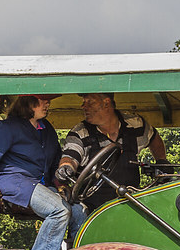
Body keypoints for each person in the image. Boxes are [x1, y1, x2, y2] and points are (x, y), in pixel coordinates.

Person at [0, 95, 71, 250]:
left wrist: (60, 183)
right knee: (59, 210)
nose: (48, 103)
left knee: (79, 211)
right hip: (14, 184)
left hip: (39, 185)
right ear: (28, 103)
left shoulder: (47, 129)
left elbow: (55, 161)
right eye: (43, 100)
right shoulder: (8, 128)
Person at [56, 93, 169, 227]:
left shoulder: (135, 124)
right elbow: (70, 156)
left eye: (89, 102)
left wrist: (162, 162)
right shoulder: (80, 132)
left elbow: (154, 138)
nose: (83, 106)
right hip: (94, 212)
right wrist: (66, 167)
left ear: (106, 103)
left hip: (131, 203)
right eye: (83, 102)